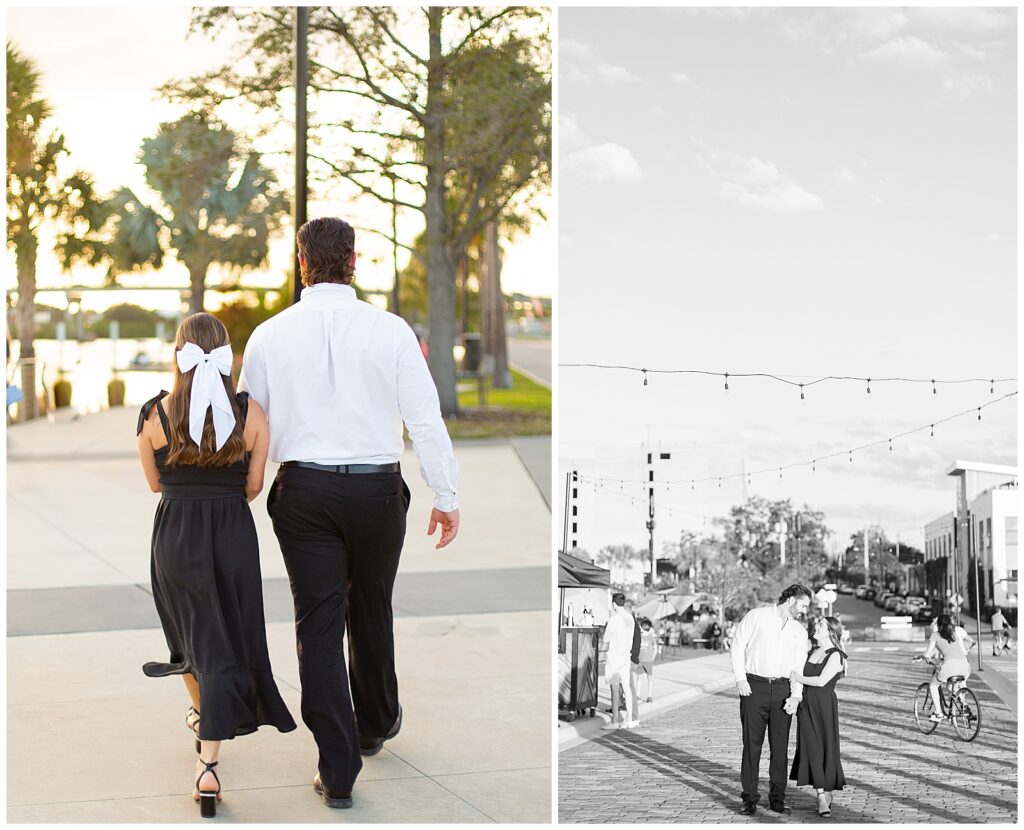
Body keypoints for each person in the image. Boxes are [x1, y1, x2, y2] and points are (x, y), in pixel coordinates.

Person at [239, 217, 460, 808]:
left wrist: (239, 491)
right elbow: (426, 418)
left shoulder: (268, 336)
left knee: (318, 625)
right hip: (378, 493)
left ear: (302, 264)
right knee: (372, 606)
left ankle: (338, 771)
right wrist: (447, 494)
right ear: (354, 263)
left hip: (304, 494)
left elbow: (248, 427)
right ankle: (376, 721)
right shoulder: (391, 332)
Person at [136, 312, 297, 817]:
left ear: (179, 355)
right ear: (228, 356)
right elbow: (253, 486)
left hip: (176, 539)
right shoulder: (250, 415)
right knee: (228, 636)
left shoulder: (154, 416)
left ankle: (207, 762)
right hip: (232, 534)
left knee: (191, 641)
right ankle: (209, 727)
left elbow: (154, 484)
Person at [730, 584, 812, 816]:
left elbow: (798, 666)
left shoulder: (799, 631)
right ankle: (749, 799)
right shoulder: (757, 616)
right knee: (751, 746)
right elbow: (737, 647)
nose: (804, 611)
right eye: (803, 605)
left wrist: (796, 695)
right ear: (792, 600)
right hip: (753, 687)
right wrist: (740, 679)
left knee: (780, 748)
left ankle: (777, 798)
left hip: (783, 689)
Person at [790, 616, 848, 818]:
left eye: (821, 625)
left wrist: (799, 678)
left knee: (824, 748)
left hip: (824, 707)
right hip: (807, 706)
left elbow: (822, 681)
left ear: (830, 630)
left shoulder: (837, 655)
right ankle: (822, 794)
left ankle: (824, 793)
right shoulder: (813, 651)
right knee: (811, 748)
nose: (817, 626)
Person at [922, 614, 974, 721]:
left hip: (950, 665)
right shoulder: (954, 634)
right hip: (964, 666)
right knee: (951, 687)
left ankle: (938, 713)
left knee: (933, 685)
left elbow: (927, 654)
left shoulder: (935, 635)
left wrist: (924, 658)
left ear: (939, 624)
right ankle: (958, 708)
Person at [602, 593, 635, 729]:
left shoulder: (614, 618)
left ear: (614, 604)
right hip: (626, 657)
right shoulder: (630, 618)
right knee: (626, 688)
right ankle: (629, 719)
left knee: (614, 688)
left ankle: (615, 721)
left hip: (615, 657)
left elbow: (605, 639)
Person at [635, 617, 659, 702]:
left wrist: (652, 658)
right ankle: (637, 695)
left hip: (648, 661)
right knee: (638, 678)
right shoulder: (639, 636)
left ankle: (649, 696)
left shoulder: (651, 637)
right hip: (640, 660)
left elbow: (655, 647)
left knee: (649, 678)